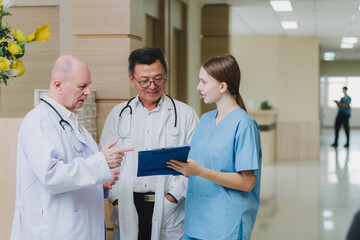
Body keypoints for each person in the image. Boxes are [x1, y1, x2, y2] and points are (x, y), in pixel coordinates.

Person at [10, 55, 133, 240]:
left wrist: (100, 183)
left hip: (79, 229)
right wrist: (101, 162)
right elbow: (51, 176)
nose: (88, 92)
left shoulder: (72, 123)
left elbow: (78, 172)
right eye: (82, 86)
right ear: (58, 85)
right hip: (54, 230)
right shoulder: (38, 121)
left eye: (88, 85)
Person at [100, 47, 199, 240]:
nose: (152, 85)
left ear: (166, 77)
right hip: (127, 202)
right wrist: (117, 199)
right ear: (131, 79)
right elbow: (104, 161)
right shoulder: (118, 114)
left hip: (168, 204)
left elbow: (195, 161)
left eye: (158, 78)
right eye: (144, 80)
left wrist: (172, 198)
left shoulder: (186, 114)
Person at [167, 54, 262, 240]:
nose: (198, 87)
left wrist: (199, 171)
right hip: (196, 222)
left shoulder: (244, 125)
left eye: (203, 82)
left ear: (222, 86)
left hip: (225, 225)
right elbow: (195, 163)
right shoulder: (205, 120)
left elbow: (247, 182)